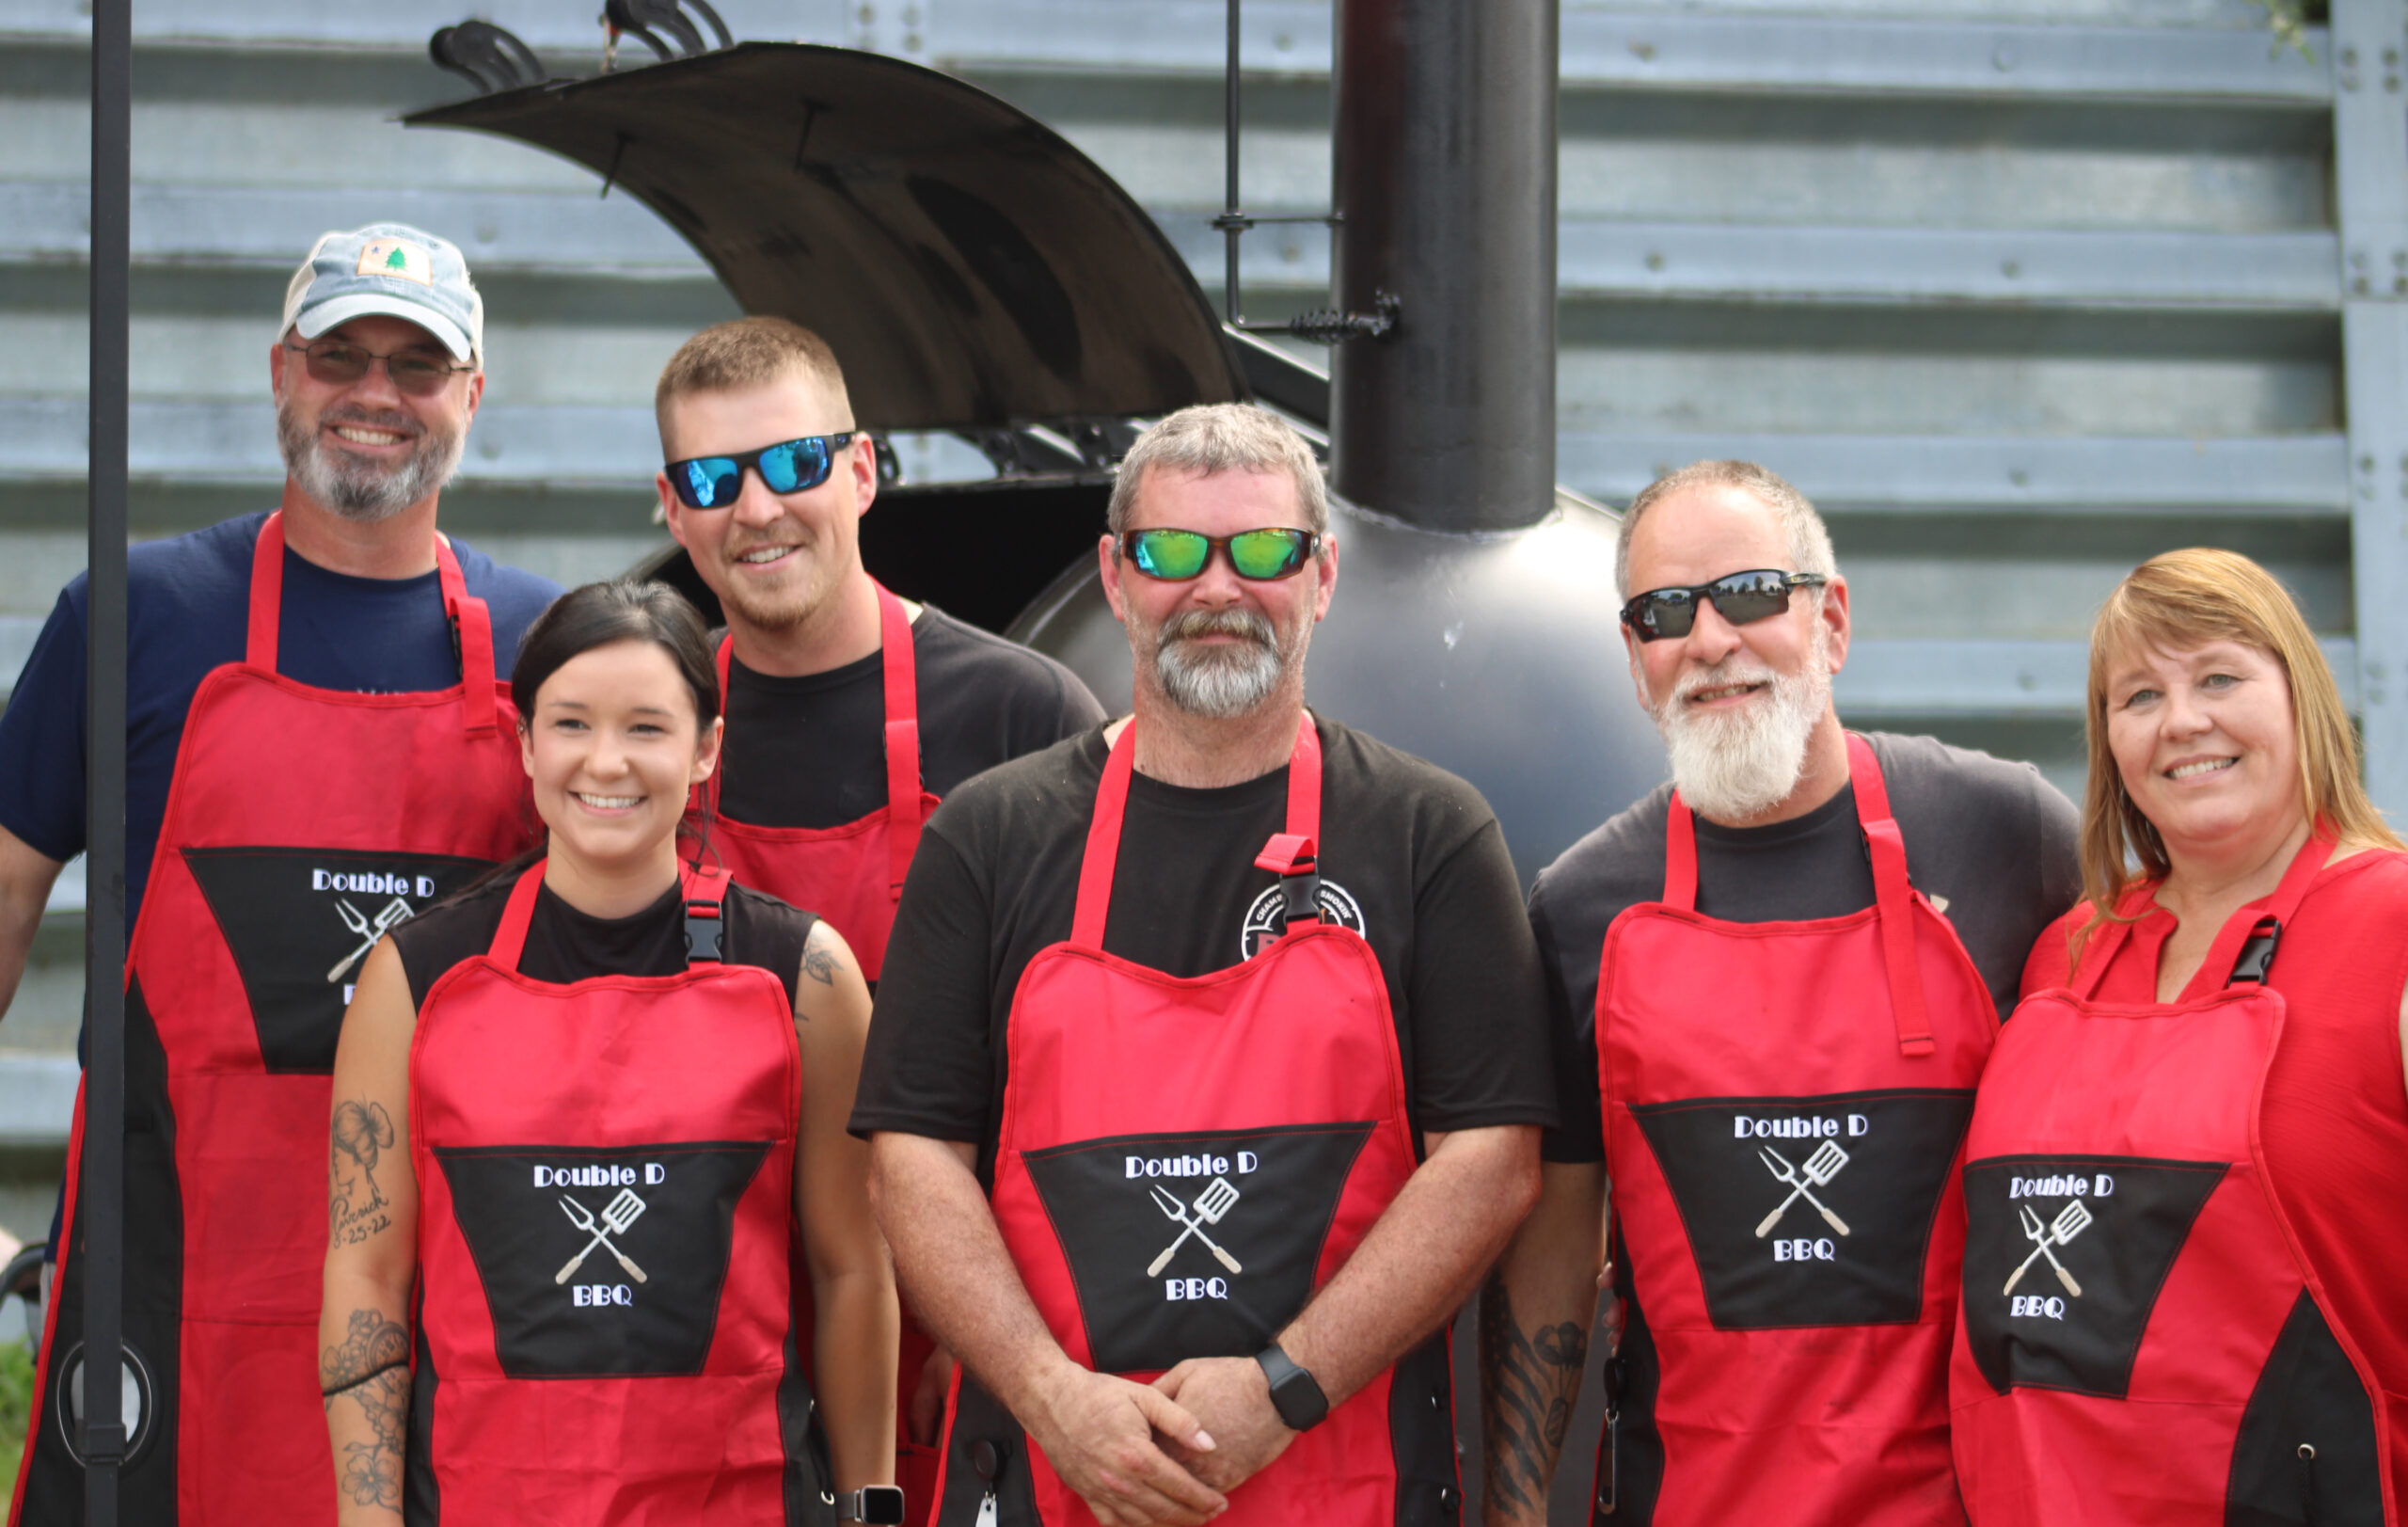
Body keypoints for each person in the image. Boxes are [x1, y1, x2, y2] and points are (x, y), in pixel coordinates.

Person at [855, 403, 1555, 1527]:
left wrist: (1285, 1390)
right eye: (1173, 551)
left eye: (1264, 551)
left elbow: (1492, 1163)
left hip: (1347, 1484)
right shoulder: (990, 837)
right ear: (1115, 575)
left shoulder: (1428, 832)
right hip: (1051, 1479)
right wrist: (1051, 1399)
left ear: (1321, 576)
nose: (1217, 588)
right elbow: (912, 1161)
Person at [1, 223, 559, 1526]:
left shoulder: (552, 645)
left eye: (417, 366)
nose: (374, 393)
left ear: (471, 396)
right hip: (167, 1260)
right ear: (279, 371)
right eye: (339, 356)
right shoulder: (132, 616)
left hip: (450, 1271)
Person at [1482, 460, 2080, 1526]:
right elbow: (1557, 1244)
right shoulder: (1579, 907)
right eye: (1666, 612)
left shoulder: (2010, 836)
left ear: (1831, 620)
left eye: (1751, 595)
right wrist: (1517, 1512)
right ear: (1635, 658)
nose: (1710, 641)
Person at [320, 580, 900, 1525]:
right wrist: (368, 1515)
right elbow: (367, 1271)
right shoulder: (416, 975)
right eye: (572, 724)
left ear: (706, 748)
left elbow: (851, 1269)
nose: (606, 762)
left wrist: (870, 1508)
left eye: (646, 728)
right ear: (526, 744)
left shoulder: (806, 976)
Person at [653, 315, 1104, 1518]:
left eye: (793, 464)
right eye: (712, 479)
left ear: (860, 470)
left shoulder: (1021, 712)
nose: (756, 508)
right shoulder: (650, 730)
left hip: (954, 1324)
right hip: (699, 1318)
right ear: (671, 508)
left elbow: (1095, 1057)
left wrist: (1001, 1324)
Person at [1951, 549, 2408, 1523]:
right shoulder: (2069, 954)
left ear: (2302, 697)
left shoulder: (2396, 926)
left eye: (2218, 678)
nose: (2183, 721)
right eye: (2139, 696)